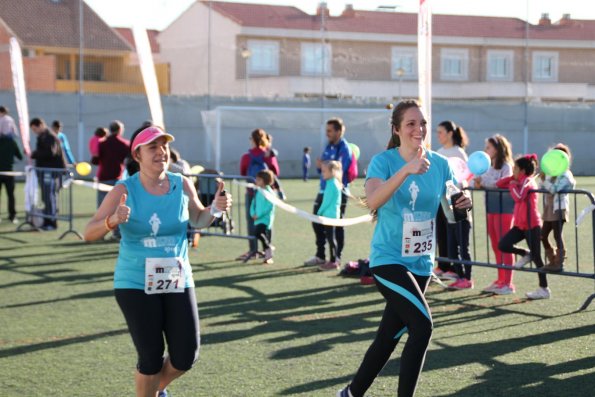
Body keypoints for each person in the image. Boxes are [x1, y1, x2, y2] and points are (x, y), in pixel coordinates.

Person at [83, 125, 232, 397]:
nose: (160, 152)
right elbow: (88, 232)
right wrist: (112, 221)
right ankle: (150, 389)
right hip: (135, 282)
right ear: (137, 154)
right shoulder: (123, 190)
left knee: (186, 355)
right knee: (151, 358)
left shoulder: (181, 183)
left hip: (177, 278)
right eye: (152, 147)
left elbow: (198, 219)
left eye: (163, 146)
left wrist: (215, 210)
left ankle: (151, 390)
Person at [337, 100, 472, 397]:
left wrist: (464, 204)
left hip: (421, 264)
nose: (419, 129)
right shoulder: (383, 162)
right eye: (411, 123)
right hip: (389, 261)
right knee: (422, 327)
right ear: (397, 129)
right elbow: (373, 201)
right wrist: (407, 170)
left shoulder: (440, 164)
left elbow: (453, 212)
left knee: (388, 337)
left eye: (422, 123)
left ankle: (350, 393)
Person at [496, 154, 550, 300]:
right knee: (503, 244)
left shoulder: (528, 182)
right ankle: (525, 254)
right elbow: (499, 184)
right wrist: (513, 179)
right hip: (520, 226)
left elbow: (518, 197)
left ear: (523, 170)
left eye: (515, 168)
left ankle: (544, 289)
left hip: (532, 225)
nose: (512, 170)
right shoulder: (519, 180)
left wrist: (513, 184)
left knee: (538, 258)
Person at [304, 118, 353, 268]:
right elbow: (322, 169)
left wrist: (328, 167)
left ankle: (335, 259)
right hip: (323, 189)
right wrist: (321, 166)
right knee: (317, 221)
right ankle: (320, 255)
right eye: (326, 131)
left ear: (339, 131)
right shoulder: (328, 146)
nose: (327, 134)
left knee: (336, 225)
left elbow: (341, 170)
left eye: (330, 131)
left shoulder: (345, 148)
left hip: (339, 191)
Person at [474, 134, 516, 295]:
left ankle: (508, 283)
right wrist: (477, 183)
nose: (486, 150)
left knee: (504, 244)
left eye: (489, 147)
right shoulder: (488, 166)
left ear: (498, 149)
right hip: (491, 208)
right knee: (495, 244)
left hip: (504, 209)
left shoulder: (506, 166)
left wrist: (483, 183)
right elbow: (479, 182)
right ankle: (500, 280)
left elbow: (503, 183)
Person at [435, 120, 470, 282]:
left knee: (459, 238)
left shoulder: (459, 153)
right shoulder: (438, 152)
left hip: (456, 201)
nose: (438, 135)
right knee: (442, 233)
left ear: (450, 133)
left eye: (441, 132)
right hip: (441, 199)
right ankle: (445, 265)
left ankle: (462, 273)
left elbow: (465, 175)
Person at [238, 128, 279, 262]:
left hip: (252, 192)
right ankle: (267, 249)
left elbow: (243, 172)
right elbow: (275, 172)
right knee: (268, 222)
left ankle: (253, 249)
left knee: (252, 221)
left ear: (254, 140)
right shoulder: (268, 154)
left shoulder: (246, 156)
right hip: (268, 193)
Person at [540, 143, 576, 272]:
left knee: (557, 235)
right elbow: (542, 187)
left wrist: (545, 181)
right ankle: (553, 260)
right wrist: (543, 179)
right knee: (542, 235)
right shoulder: (551, 173)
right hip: (549, 208)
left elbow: (554, 189)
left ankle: (559, 262)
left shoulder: (566, 175)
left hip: (559, 208)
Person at [91, 120, 130, 238]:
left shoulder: (102, 143)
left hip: (103, 177)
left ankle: (99, 233)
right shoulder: (124, 144)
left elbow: (95, 160)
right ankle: (117, 233)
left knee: (101, 208)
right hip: (117, 178)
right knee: (118, 207)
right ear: (120, 130)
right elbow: (129, 160)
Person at [30, 118, 67, 231]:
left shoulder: (49, 136)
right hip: (47, 170)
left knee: (49, 196)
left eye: (34, 129)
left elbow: (50, 152)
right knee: (47, 196)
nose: (34, 131)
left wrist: (34, 154)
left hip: (50, 171)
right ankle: (48, 220)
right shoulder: (44, 136)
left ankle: (51, 222)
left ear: (40, 125)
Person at [317, 160, 343, 271]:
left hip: (329, 216)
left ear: (332, 172)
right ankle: (334, 260)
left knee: (331, 239)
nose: (322, 174)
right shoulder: (334, 182)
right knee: (331, 238)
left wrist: (319, 213)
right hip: (332, 215)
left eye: (324, 171)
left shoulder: (332, 184)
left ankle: (333, 261)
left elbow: (326, 202)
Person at [250, 169, 276, 264]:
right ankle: (267, 255)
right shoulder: (259, 191)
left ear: (264, 180)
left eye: (258, 179)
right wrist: (252, 213)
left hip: (265, 219)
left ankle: (268, 249)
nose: (256, 181)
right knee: (261, 235)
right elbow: (253, 203)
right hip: (257, 218)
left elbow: (270, 206)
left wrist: (259, 215)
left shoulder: (270, 192)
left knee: (258, 233)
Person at [0, 133, 23, 223]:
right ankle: (12, 216)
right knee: (11, 195)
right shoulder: (12, 142)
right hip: (9, 173)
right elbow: (20, 156)